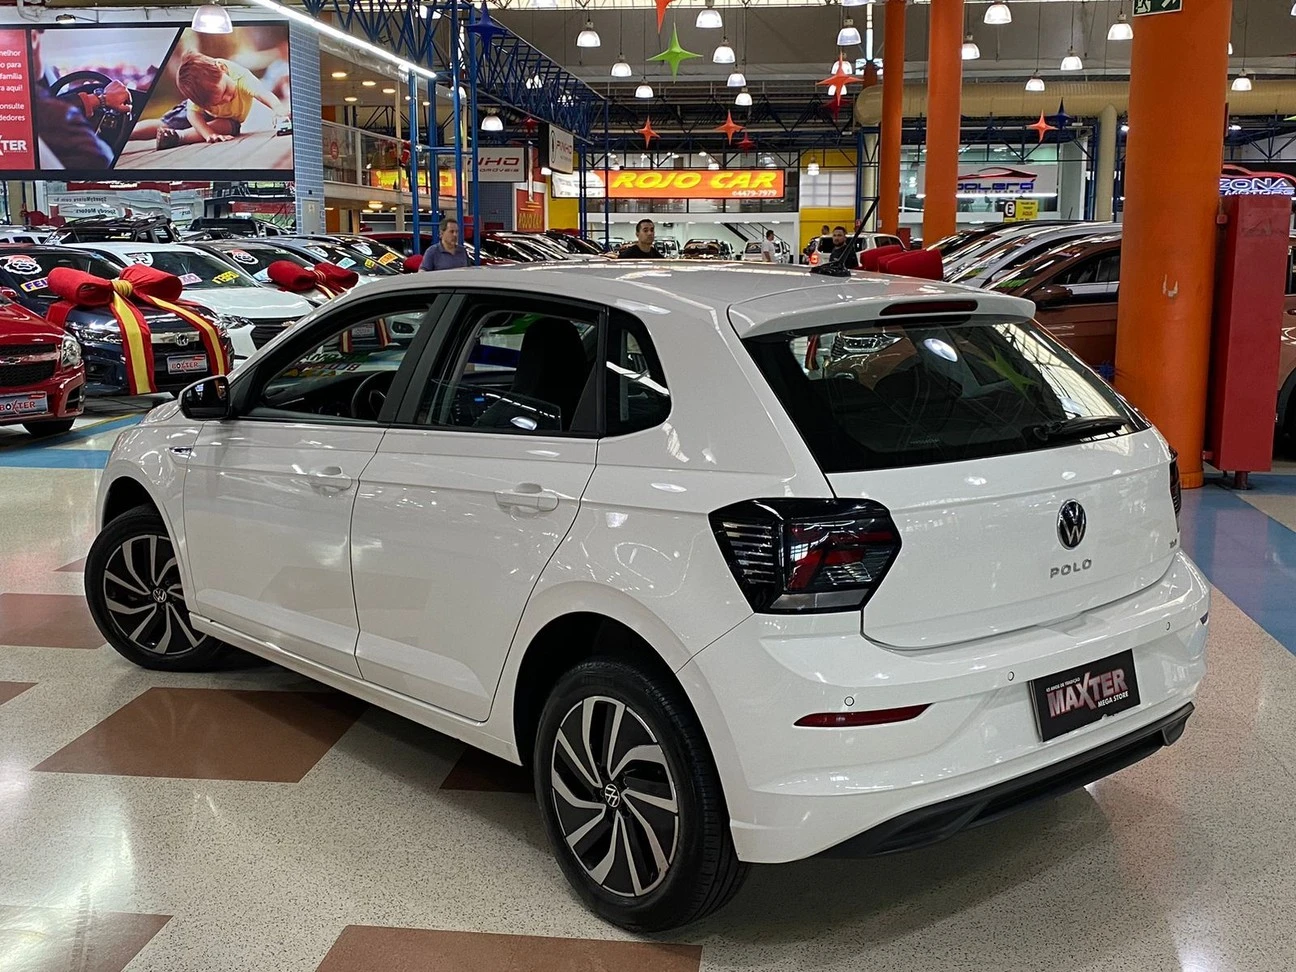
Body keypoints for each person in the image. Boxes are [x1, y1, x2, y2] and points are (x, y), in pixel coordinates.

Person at [131, 51, 289, 150]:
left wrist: (278, 108)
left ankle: (177, 137)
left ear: (222, 69)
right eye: (217, 102)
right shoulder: (200, 96)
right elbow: (193, 114)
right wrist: (207, 133)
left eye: (225, 91)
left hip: (227, 119)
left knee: (228, 126)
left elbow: (262, 93)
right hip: (198, 112)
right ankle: (127, 133)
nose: (227, 99)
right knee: (165, 123)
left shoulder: (241, 77)